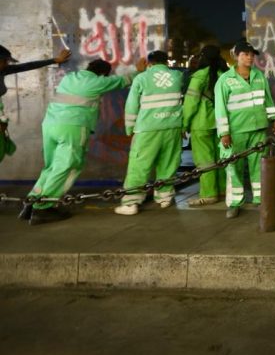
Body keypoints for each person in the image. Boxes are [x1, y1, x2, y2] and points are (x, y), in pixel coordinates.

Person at [23, 57, 146, 225]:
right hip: (73, 127)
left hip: (50, 124)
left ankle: (32, 201)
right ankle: (44, 208)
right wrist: (139, 70)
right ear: (103, 74)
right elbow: (123, 81)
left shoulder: (69, 77)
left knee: (51, 166)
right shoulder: (97, 82)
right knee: (69, 166)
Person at [215, 41, 275, 218]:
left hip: (258, 129)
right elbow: (220, 109)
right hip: (236, 132)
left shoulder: (259, 76)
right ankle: (235, 203)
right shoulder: (225, 80)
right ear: (236, 56)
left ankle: (259, 200)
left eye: (252, 54)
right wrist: (224, 133)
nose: (250, 57)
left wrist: (274, 119)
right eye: (245, 54)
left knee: (258, 166)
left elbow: (267, 100)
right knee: (233, 167)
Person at [115, 51, 184, 215]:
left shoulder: (141, 78)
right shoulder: (177, 76)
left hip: (148, 129)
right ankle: (164, 197)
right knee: (169, 162)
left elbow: (131, 105)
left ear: (148, 63)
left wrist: (129, 128)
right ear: (167, 62)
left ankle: (131, 202)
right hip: (173, 126)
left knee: (140, 165)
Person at [0, 45, 71, 162]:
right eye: (4, 61)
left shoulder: (3, 70)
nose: (7, 64)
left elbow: (27, 66)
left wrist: (54, 60)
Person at [183, 45, 230, 206]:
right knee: (221, 160)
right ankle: (224, 190)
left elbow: (190, 104)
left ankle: (209, 194)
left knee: (205, 161)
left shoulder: (199, 77)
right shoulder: (224, 75)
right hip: (222, 125)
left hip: (201, 124)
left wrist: (184, 125)